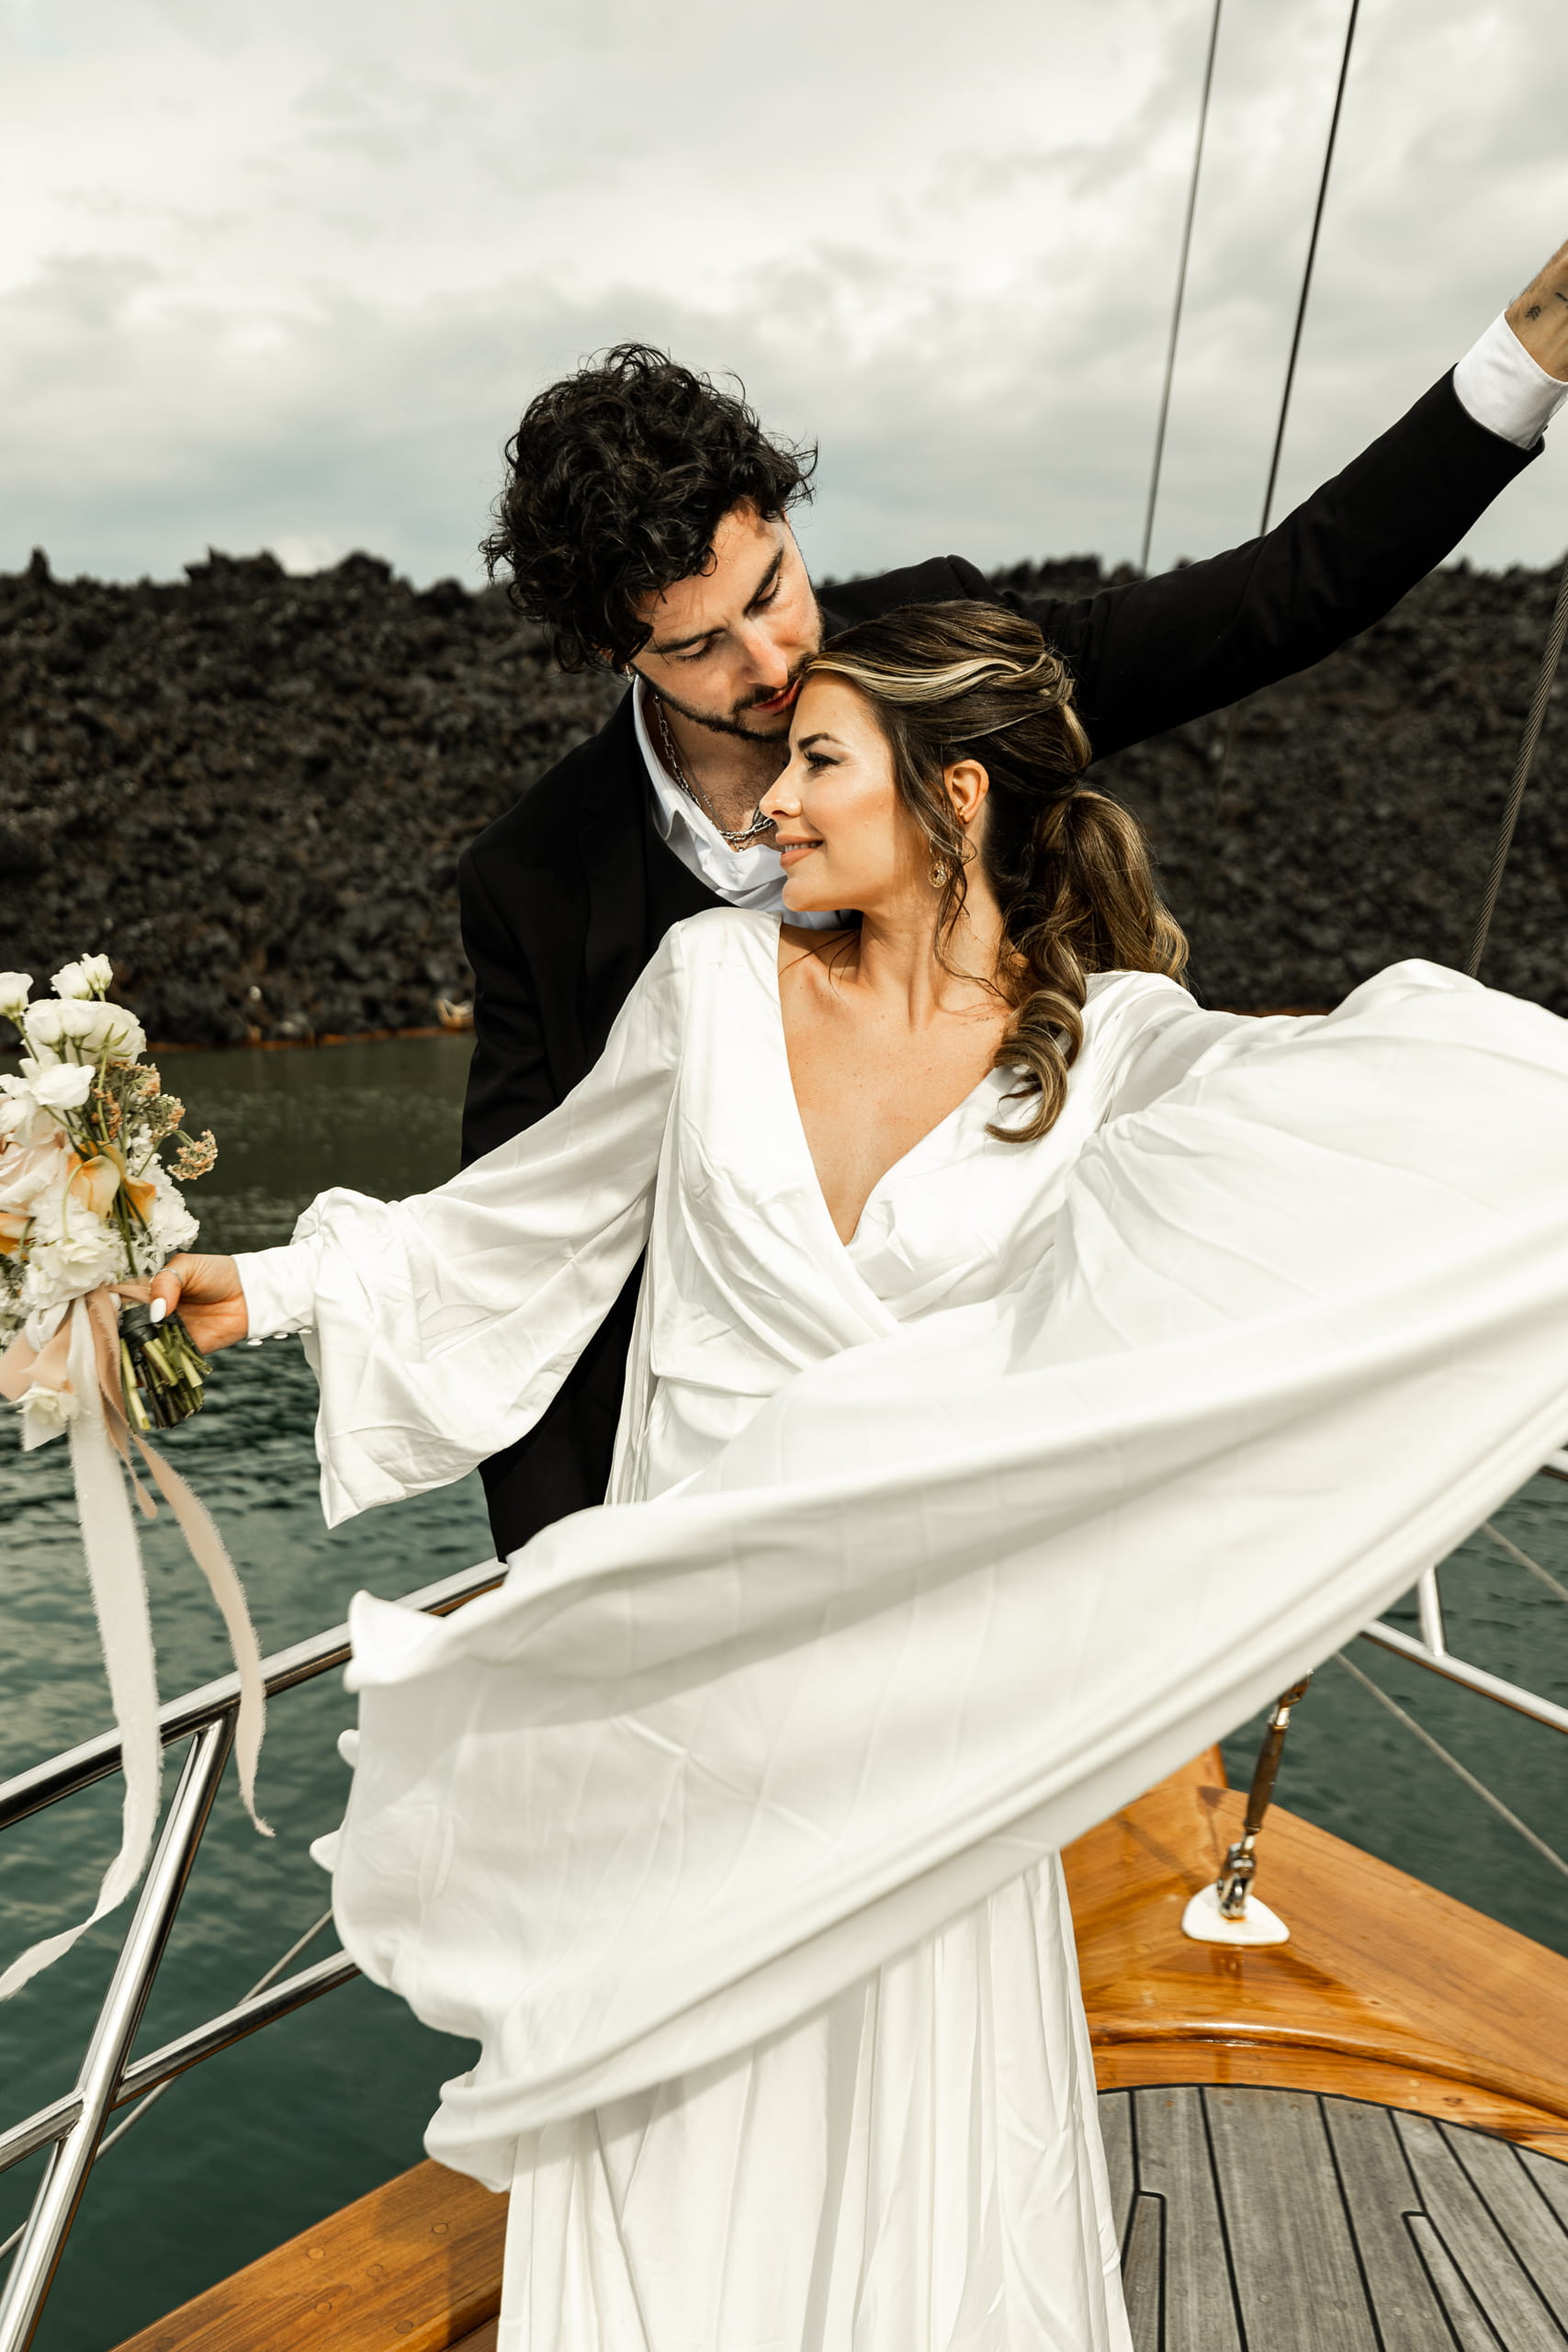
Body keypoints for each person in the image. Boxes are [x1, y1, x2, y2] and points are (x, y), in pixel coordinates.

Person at [147, 601, 1568, 2352]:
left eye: (817, 763)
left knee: (919, 2149)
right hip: (688, 1670)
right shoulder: (712, 986)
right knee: (679, 2133)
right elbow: (518, 1229)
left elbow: (1353, 1129)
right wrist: (264, 1286)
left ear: (955, 795)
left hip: (910, 1704)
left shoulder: (1116, 1048)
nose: (767, 810)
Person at [461, 237, 1568, 1565]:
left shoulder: (942, 650)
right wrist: (553, 1589)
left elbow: (1279, 597)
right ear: (609, 650)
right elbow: (506, 1271)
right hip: (727, 1521)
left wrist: (1533, 348)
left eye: (773, 589)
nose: (771, 659)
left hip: (1036, 1451)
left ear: (785, 517)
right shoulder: (532, 879)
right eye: (698, 644)